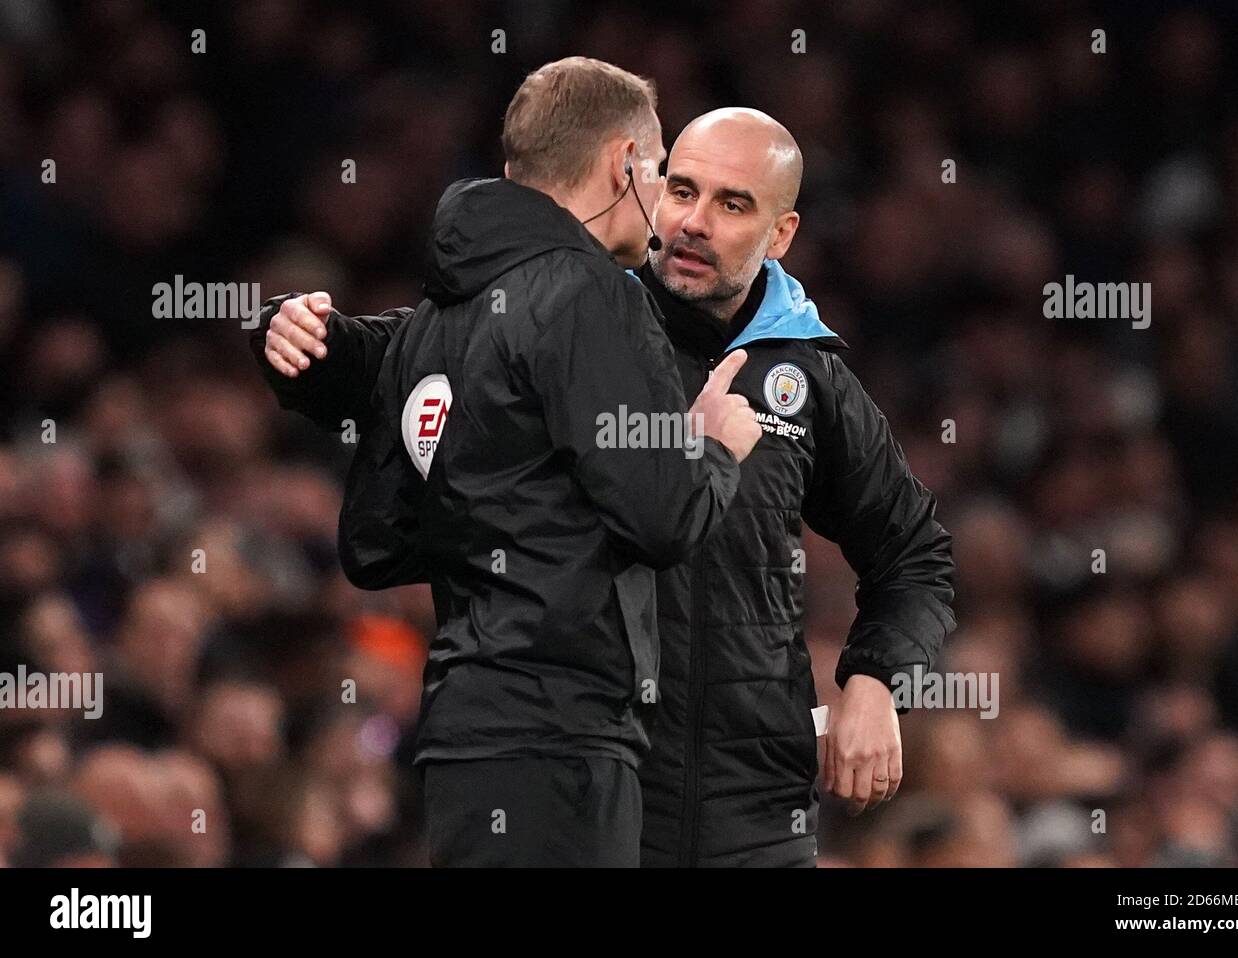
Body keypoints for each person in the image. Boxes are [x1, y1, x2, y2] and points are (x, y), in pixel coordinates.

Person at [254, 107, 954, 867]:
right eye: (680, 189)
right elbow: (402, 350)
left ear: (781, 234)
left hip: (760, 808)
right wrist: (299, 337)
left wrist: (879, 682)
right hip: (599, 785)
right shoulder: (579, 315)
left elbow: (914, 556)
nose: (692, 222)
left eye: (732, 204)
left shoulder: (807, 379)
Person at [253, 59, 760, 867]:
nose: (664, 200)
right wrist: (714, 445)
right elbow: (662, 514)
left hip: (467, 730)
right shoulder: (592, 293)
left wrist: (288, 331)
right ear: (622, 163)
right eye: (661, 168)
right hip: (559, 730)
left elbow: (374, 359)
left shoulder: (449, 308)